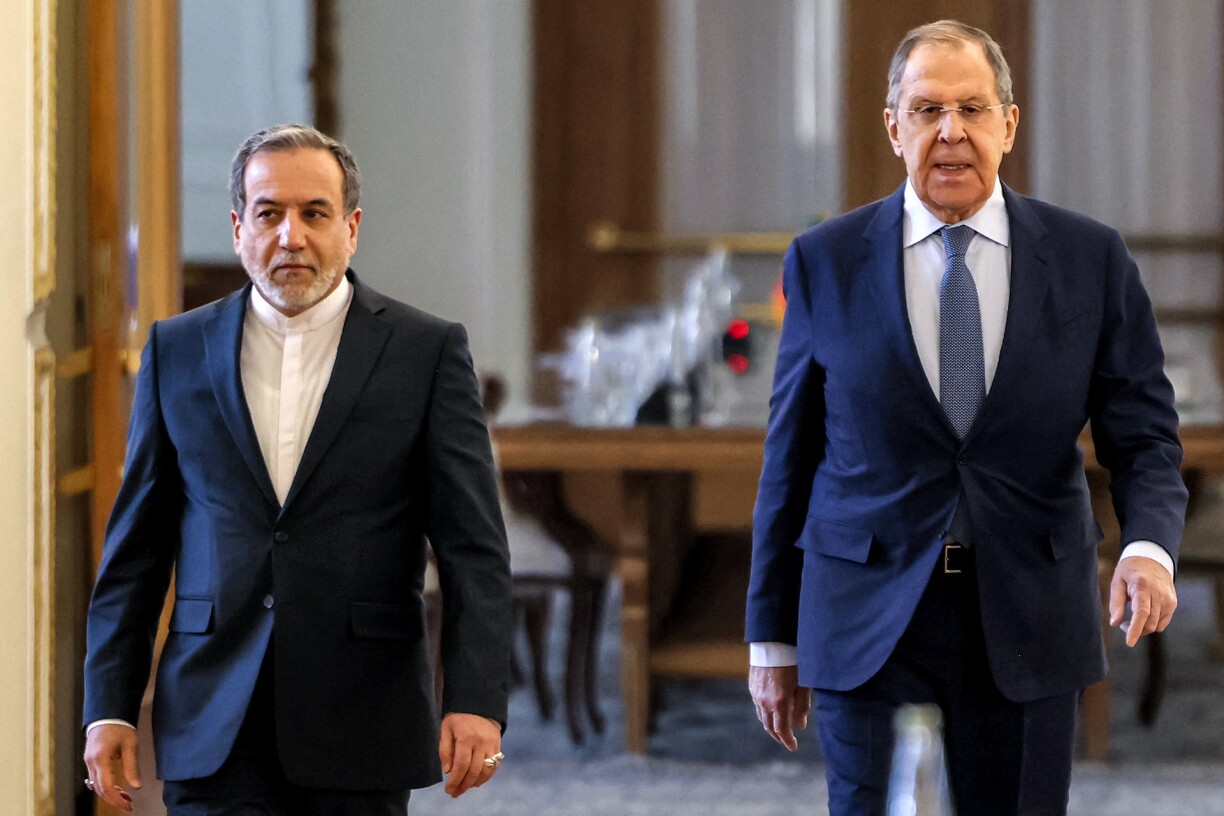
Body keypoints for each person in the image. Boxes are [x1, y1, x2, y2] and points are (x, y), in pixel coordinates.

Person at [746, 20, 1186, 816]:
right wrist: (771, 636)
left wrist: (1148, 546)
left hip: (1026, 606)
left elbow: (1145, 435)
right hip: (866, 610)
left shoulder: (1090, 259)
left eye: (972, 109)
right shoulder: (825, 260)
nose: (950, 131)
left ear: (1008, 125)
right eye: (926, 109)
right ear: (894, 127)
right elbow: (791, 458)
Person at [82, 124, 512, 815]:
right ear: (238, 229)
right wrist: (109, 705)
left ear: (351, 228)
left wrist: (476, 699)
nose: (291, 237)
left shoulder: (425, 352)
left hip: (363, 711)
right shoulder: (176, 350)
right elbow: (136, 550)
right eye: (269, 214)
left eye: (315, 213)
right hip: (212, 715)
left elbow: (474, 549)